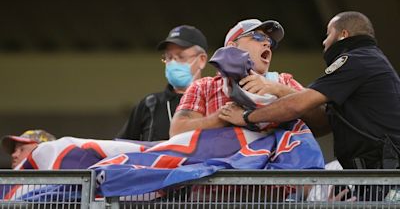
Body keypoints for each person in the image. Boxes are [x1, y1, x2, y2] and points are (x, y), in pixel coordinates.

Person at [219, 11, 400, 169]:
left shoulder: (356, 61)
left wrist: (247, 116)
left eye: (328, 34)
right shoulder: (368, 58)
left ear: (343, 35)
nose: (324, 41)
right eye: (258, 38)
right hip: (376, 170)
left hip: (386, 171)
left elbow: (301, 106)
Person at [169, 18, 326, 136]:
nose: (267, 44)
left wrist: (277, 90)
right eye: (257, 37)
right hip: (223, 178)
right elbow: (177, 131)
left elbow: (323, 124)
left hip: (274, 179)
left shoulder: (283, 81)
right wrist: (220, 119)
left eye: (270, 41)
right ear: (232, 47)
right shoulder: (204, 86)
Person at [118, 25, 208, 141]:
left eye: (181, 57)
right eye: (169, 57)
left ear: (201, 60)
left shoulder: (214, 101)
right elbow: (121, 147)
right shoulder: (150, 104)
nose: (173, 63)